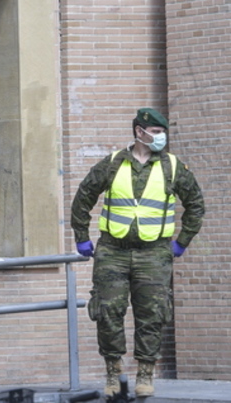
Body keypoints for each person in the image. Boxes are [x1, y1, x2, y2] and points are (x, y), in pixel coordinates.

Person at [71, 108, 204, 397]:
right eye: (155, 132)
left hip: (154, 254)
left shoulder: (172, 166)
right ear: (139, 132)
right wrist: (81, 237)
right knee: (107, 313)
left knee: (152, 315)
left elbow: (195, 203)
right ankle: (113, 374)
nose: (160, 137)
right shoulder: (112, 164)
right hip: (112, 252)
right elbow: (83, 198)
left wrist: (182, 241)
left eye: (162, 133)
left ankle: (145, 374)